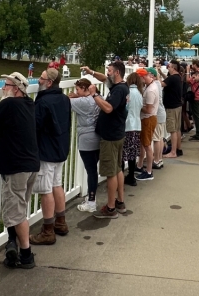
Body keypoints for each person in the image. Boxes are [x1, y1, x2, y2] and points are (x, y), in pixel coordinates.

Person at [0, 72, 40, 269]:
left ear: (16, 89)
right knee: (19, 207)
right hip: (31, 164)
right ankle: (11, 244)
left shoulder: (9, 104)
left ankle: (26, 255)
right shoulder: (29, 104)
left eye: (5, 85)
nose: (2, 89)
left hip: (16, 166)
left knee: (16, 212)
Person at [80, 61, 128, 218]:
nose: (107, 73)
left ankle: (111, 208)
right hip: (117, 134)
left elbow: (108, 108)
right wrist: (91, 72)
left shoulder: (119, 90)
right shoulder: (119, 85)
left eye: (109, 71)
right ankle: (120, 201)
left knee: (111, 172)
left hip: (111, 137)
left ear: (117, 72)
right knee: (118, 168)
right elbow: (103, 80)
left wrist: (94, 95)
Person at [31, 68, 72, 246]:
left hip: (46, 151)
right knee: (57, 184)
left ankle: (48, 230)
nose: (38, 80)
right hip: (60, 148)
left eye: (41, 78)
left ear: (49, 83)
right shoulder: (64, 99)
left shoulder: (43, 102)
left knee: (45, 190)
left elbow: (35, 126)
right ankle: (60, 222)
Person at [70, 77, 101, 212]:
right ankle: (90, 197)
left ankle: (91, 202)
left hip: (86, 139)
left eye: (77, 89)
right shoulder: (97, 98)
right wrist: (78, 95)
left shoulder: (82, 102)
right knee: (93, 170)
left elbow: (65, 100)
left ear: (84, 89)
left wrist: (75, 96)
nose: (75, 92)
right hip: (97, 136)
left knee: (91, 171)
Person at [137, 67, 159, 182]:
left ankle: (149, 171)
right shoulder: (150, 85)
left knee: (147, 145)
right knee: (144, 144)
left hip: (148, 119)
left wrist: (138, 105)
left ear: (142, 77)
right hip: (147, 119)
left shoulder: (150, 90)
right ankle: (140, 166)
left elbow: (149, 110)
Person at [123, 72, 144, 186]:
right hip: (137, 125)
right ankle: (131, 176)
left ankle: (122, 176)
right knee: (132, 153)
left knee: (123, 153)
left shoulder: (128, 93)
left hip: (127, 125)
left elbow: (125, 108)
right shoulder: (140, 94)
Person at [162, 60, 184, 158]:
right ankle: (178, 149)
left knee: (172, 130)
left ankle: (173, 152)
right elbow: (167, 80)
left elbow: (161, 84)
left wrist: (156, 77)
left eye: (169, 66)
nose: (168, 68)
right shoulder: (177, 77)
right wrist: (161, 73)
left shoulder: (172, 78)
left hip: (171, 107)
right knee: (177, 129)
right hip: (177, 106)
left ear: (173, 68)